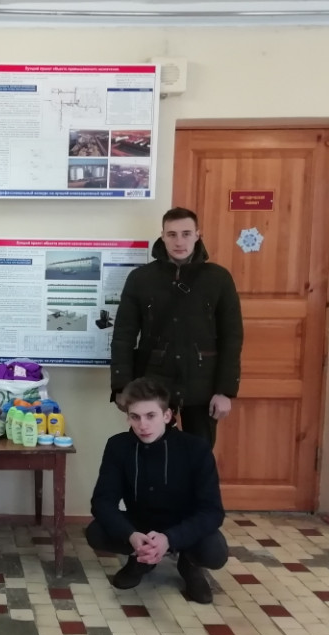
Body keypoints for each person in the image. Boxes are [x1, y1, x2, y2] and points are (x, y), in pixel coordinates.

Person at [109, 206, 243, 448]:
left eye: (186, 234)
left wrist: (225, 391)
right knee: (151, 453)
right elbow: (123, 336)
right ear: (162, 236)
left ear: (197, 235)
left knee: (198, 456)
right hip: (152, 385)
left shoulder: (218, 279)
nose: (179, 241)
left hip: (203, 386)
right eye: (172, 234)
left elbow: (231, 337)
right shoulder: (141, 278)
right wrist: (122, 386)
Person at [87, 377, 227, 604]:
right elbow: (102, 502)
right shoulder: (118, 446)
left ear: (167, 416)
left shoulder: (196, 448)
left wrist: (169, 539)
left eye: (150, 416)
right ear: (128, 417)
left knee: (214, 551)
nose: (142, 425)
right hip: (140, 524)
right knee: (96, 532)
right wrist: (131, 535)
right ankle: (141, 559)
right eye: (135, 417)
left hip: (183, 526)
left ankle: (189, 565)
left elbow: (212, 512)